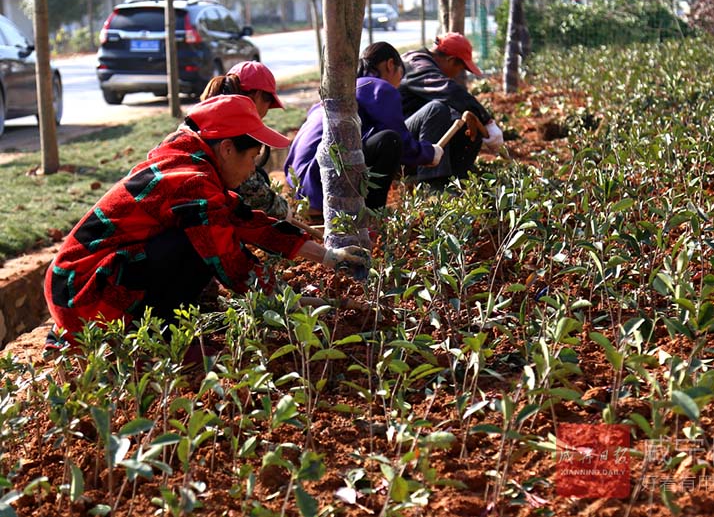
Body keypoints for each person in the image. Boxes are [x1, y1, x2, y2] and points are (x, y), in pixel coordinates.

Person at [44, 95, 369, 349]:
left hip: (77, 281)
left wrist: (328, 256)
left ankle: (162, 330)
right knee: (199, 247)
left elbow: (246, 220)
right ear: (227, 149)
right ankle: (162, 338)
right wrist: (292, 307)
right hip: (83, 291)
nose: (251, 170)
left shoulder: (193, 167)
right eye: (252, 159)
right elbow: (232, 264)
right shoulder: (191, 181)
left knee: (209, 234)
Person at [284, 42, 444, 222]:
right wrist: (429, 153)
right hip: (320, 181)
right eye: (401, 74)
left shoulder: (343, 89)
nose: (399, 83)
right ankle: (373, 216)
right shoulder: (378, 88)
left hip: (301, 188)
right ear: (390, 65)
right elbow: (401, 142)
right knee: (390, 141)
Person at [398, 32, 504, 188]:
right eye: (460, 68)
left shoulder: (425, 64)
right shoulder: (416, 64)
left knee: (465, 121)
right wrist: (486, 120)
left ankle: (457, 180)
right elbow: (448, 90)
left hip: (409, 137)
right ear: (451, 60)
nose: (458, 74)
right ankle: (433, 185)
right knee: (436, 110)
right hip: (395, 141)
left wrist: (477, 120)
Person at [200, 61, 291, 219]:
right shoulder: (234, 132)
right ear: (255, 96)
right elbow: (274, 210)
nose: (266, 112)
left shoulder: (202, 117)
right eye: (268, 102)